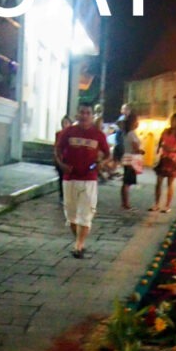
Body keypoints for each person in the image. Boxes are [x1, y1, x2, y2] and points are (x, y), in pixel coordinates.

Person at [55, 101, 110, 257]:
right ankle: (79, 240)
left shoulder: (98, 135)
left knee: (85, 213)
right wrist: (62, 165)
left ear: (92, 116)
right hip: (69, 178)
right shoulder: (68, 132)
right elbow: (57, 149)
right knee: (71, 215)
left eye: (88, 113)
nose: (85, 116)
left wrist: (102, 164)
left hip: (89, 178)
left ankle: (78, 246)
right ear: (77, 114)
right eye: (82, 112)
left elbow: (107, 154)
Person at [152, 112, 176, 212]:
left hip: (173, 159)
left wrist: (172, 150)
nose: (173, 122)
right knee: (159, 182)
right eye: (172, 120)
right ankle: (156, 204)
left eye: (175, 120)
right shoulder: (166, 131)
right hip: (164, 157)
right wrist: (159, 150)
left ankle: (167, 206)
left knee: (170, 183)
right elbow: (160, 142)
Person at [120, 111, 142, 211]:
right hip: (131, 158)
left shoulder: (126, 133)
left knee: (126, 181)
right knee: (127, 181)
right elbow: (135, 147)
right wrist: (141, 151)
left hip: (127, 156)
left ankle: (124, 202)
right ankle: (126, 203)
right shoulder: (132, 134)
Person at [53, 114, 72, 203]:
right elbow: (56, 146)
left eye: (67, 123)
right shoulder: (58, 134)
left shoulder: (72, 134)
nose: (65, 124)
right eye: (63, 123)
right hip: (61, 158)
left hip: (69, 158)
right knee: (61, 177)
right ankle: (62, 195)